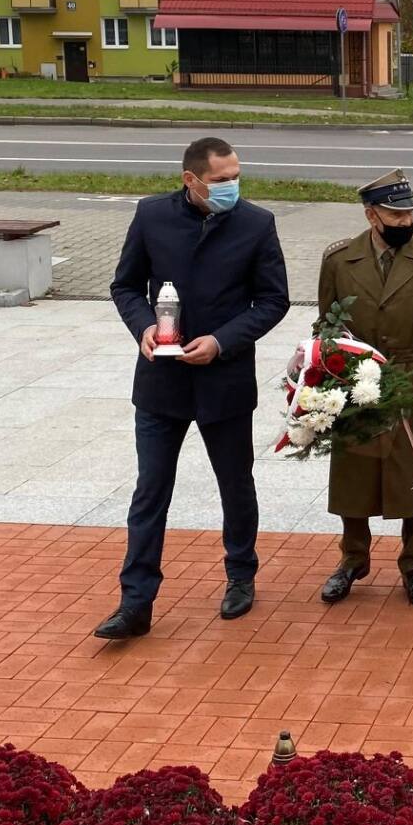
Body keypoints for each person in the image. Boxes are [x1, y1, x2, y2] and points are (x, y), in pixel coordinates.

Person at [98, 137, 290, 640]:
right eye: (222, 180)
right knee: (150, 491)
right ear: (191, 180)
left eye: (236, 177)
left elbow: (273, 301)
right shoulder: (151, 216)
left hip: (223, 379)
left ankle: (240, 575)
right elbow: (124, 285)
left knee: (235, 483)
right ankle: (136, 602)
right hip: (161, 382)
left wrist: (224, 341)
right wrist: (142, 326)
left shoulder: (255, 223)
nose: (232, 186)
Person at [316, 169, 413, 605]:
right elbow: (328, 326)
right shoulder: (339, 259)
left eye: (409, 213)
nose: (405, 221)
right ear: (371, 215)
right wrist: (324, 383)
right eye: (395, 214)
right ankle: (352, 558)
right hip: (357, 381)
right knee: (354, 476)